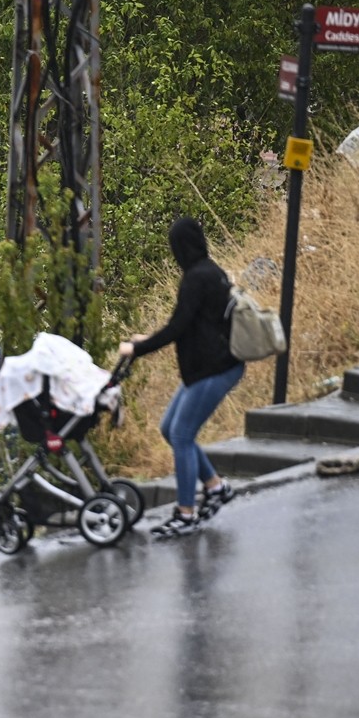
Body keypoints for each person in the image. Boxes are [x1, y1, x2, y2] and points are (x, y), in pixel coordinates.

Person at [118, 217, 243, 538]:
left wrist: (138, 348)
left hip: (214, 368)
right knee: (169, 429)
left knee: (182, 435)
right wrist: (146, 340)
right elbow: (192, 324)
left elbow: (177, 327)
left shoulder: (196, 277)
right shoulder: (210, 271)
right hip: (210, 365)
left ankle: (185, 513)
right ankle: (215, 487)